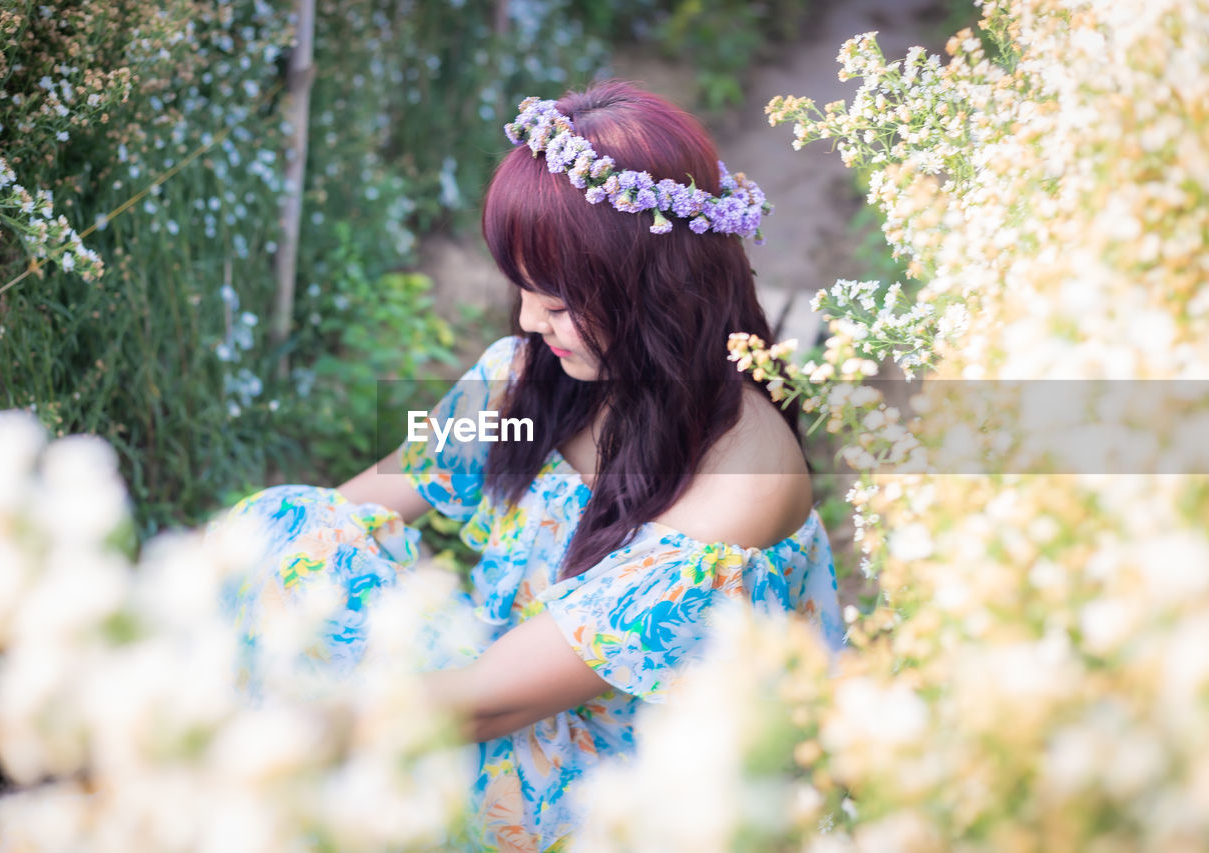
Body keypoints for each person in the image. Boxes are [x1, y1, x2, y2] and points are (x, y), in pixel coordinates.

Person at [220, 80, 845, 851]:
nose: (526, 320)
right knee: (285, 529)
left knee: (357, 772)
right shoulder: (534, 377)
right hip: (497, 683)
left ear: (657, 287)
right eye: (521, 288)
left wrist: (276, 744)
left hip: (618, 790)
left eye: (557, 302)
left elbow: (490, 705)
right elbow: (361, 500)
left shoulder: (737, 485)